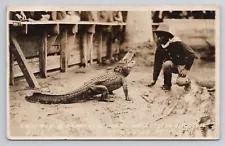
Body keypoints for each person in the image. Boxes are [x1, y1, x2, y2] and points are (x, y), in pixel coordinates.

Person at [148, 24, 196, 91]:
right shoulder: (160, 48)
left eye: (162, 35)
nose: (159, 38)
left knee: (180, 82)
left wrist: (186, 68)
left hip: (182, 65)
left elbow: (192, 54)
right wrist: (154, 80)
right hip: (172, 65)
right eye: (158, 35)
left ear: (167, 36)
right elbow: (157, 64)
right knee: (166, 64)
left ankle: (188, 82)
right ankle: (167, 85)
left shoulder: (177, 43)